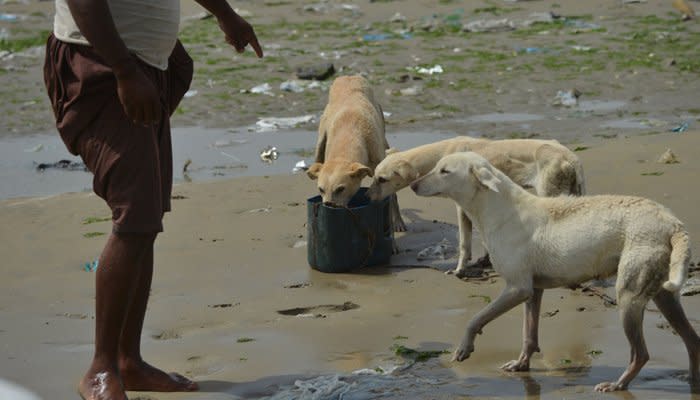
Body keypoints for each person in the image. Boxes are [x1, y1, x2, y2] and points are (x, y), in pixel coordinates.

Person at [43, 1, 263, 399]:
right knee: (136, 216)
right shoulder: (117, 69)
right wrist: (125, 71)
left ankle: (129, 360)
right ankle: (101, 368)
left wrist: (225, 14)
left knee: (146, 218)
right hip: (102, 66)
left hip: (145, 64)